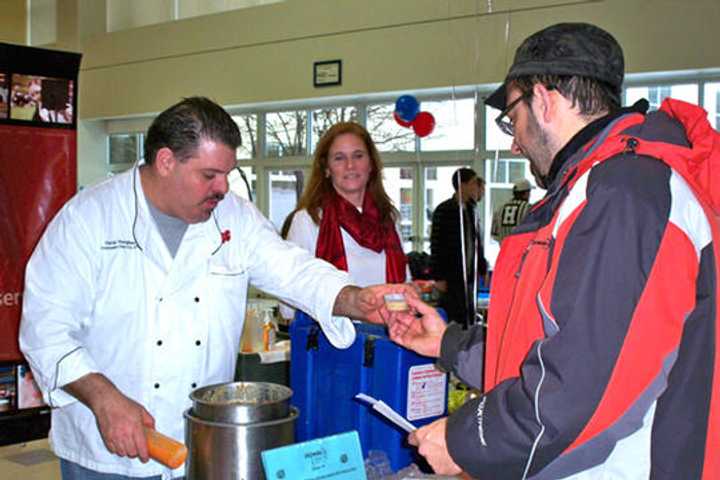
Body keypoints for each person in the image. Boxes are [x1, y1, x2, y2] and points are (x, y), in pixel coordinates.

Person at [387, 23, 720, 479]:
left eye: (512, 118)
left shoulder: (626, 193)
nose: (513, 140)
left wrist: (466, 440)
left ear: (544, 99)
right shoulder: (592, 191)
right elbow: (552, 343)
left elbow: (577, 387)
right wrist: (448, 343)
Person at [19, 97, 413, 479]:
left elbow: (293, 269)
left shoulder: (232, 217)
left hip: (201, 445)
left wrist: (354, 299)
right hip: (103, 449)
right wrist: (103, 397)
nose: (223, 188)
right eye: (209, 175)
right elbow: (45, 328)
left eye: (227, 174)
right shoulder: (89, 219)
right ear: (166, 161)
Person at [280, 122, 408, 320]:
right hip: (334, 344)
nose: (350, 165)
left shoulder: (389, 218)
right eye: (339, 158)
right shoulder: (308, 221)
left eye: (358, 155)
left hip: (390, 340)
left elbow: (404, 287)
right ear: (327, 168)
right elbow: (287, 306)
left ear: (371, 164)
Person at [429, 168, 487, 326]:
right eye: (474, 183)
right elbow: (436, 244)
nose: (477, 187)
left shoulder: (472, 210)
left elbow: (477, 242)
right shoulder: (444, 210)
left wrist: (482, 266)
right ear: (463, 185)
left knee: (468, 315)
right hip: (451, 274)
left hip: (469, 274)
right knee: (453, 316)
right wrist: (439, 277)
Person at [490, 177, 532, 243]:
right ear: (526, 193)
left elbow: (494, 234)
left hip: (504, 251)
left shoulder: (500, 208)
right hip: (521, 250)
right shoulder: (529, 208)